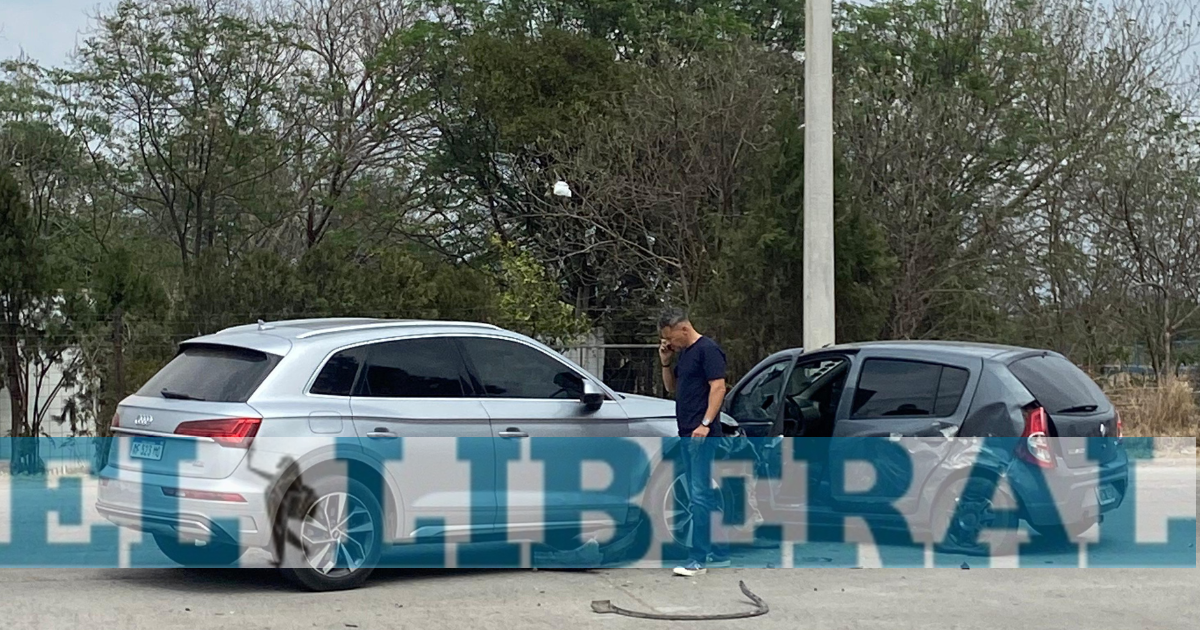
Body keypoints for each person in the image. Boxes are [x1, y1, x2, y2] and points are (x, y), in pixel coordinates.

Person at [658, 307, 732, 576]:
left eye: (671, 339)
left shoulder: (707, 350)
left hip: (701, 433)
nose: (670, 344)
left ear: (684, 329)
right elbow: (671, 387)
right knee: (703, 493)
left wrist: (705, 424)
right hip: (687, 430)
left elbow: (719, 387)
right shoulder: (686, 354)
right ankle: (720, 550)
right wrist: (666, 362)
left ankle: (698, 558)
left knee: (699, 496)